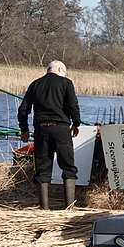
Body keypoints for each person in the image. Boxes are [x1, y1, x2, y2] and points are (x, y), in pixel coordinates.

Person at [18, 60, 81, 209]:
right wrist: (77, 123)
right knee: (68, 167)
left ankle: (44, 209)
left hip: (41, 130)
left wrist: (24, 129)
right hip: (61, 130)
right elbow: (73, 105)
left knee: (42, 169)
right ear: (60, 69)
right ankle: (69, 208)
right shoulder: (66, 83)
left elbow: (23, 110)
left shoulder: (35, 84)